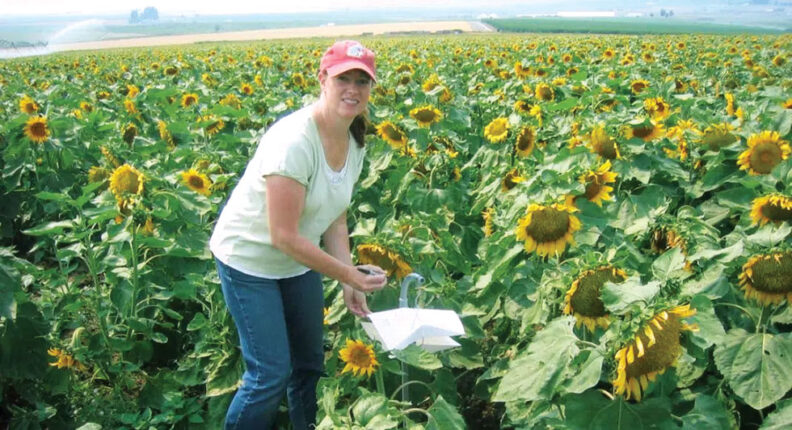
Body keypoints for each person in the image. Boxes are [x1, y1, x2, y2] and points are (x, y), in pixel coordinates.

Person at [209, 40, 387, 429]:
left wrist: (348, 280)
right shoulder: (293, 142)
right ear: (323, 79)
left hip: (298, 260)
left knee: (308, 365)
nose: (353, 90)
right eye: (343, 79)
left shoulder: (354, 139)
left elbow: (335, 218)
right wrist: (348, 274)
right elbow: (283, 236)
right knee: (269, 374)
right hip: (250, 260)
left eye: (362, 81)